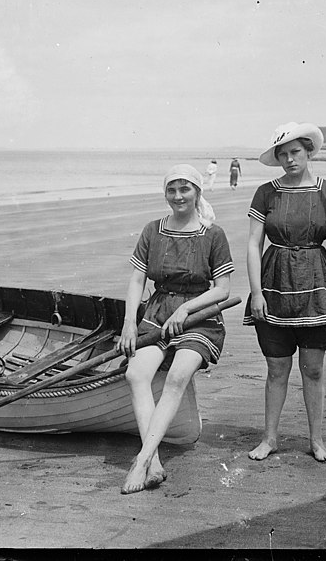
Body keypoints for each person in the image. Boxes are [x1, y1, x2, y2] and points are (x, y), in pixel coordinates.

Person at [243, 122, 326, 463]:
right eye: (283, 154)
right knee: (277, 369)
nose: (290, 160)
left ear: (309, 152)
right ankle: (269, 439)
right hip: (274, 281)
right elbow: (252, 244)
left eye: (295, 152)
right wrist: (256, 293)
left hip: (316, 282)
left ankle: (317, 440)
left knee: (313, 369)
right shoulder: (266, 192)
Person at [117, 164, 234, 494]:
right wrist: (129, 324)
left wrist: (186, 308)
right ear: (165, 193)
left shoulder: (213, 234)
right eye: (172, 189)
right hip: (157, 312)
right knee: (135, 374)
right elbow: (138, 279)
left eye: (185, 189)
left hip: (200, 316)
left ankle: (140, 461)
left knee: (177, 376)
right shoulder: (153, 230)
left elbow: (223, 289)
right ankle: (154, 464)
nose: (178, 196)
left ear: (197, 192)